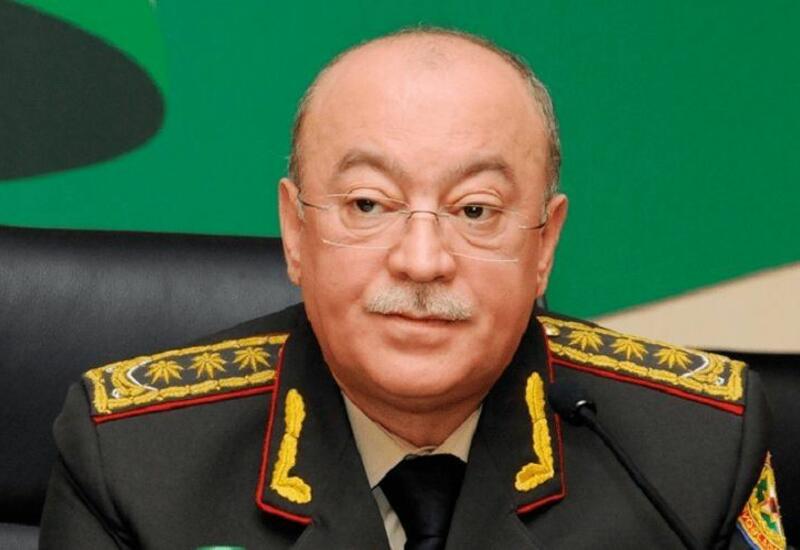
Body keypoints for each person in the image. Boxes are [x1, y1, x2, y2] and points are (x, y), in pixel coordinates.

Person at [40, 27, 787, 549]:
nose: (423, 262)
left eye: (475, 211)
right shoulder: (134, 454)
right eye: (369, 205)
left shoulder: (695, 448)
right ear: (295, 232)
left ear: (545, 244)